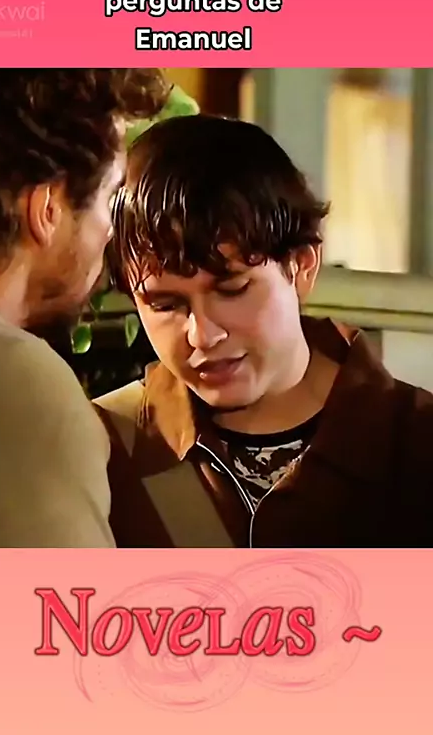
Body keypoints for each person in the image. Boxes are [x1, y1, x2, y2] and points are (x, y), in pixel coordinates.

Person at [96, 114, 433, 548]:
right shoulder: (100, 447)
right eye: (165, 304)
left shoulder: (416, 443)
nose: (202, 336)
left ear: (302, 267)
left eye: (233, 290)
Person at [0, 68, 168, 547]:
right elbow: (66, 596)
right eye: (110, 197)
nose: (111, 230)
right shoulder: (14, 380)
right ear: (47, 210)